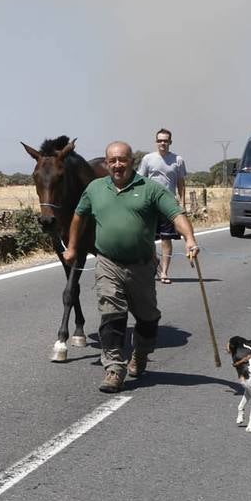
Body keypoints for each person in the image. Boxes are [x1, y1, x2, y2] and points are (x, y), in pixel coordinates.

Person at [62, 141, 199, 393]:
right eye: (112, 160)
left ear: (132, 162)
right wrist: (71, 247)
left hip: (141, 266)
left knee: (147, 318)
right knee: (111, 313)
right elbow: (79, 216)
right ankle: (114, 368)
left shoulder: (150, 189)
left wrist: (190, 239)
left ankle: (141, 353)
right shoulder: (95, 188)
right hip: (107, 262)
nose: (117, 165)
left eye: (122, 160)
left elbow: (176, 215)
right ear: (106, 163)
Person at [137, 128, 189, 283]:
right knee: (148, 239)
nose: (162, 143)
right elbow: (141, 180)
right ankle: (153, 264)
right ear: (156, 142)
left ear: (170, 142)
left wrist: (183, 204)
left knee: (166, 239)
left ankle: (165, 272)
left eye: (165, 140)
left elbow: (181, 183)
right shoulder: (147, 159)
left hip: (169, 204)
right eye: (160, 140)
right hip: (150, 204)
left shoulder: (177, 160)